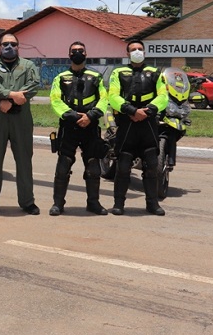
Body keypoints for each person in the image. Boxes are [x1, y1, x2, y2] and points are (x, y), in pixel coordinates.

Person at [0, 33, 41, 215]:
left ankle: (27, 201)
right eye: (5, 44)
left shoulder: (28, 66)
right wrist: (12, 94)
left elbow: (34, 85)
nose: (9, 47)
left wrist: (10, 102)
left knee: (24, 160)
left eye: (13, 44)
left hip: (21, 119)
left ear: (18, 46)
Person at [107, 40, 168, 216]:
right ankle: (118, 204)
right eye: (133, 49)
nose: (137, 51)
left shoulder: (155, 73)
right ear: (127, 54)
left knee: (151, 167)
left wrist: (148, 111)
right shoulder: (118, 72)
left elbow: (163, 96)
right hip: (127, 125)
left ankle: (152, 204)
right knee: (123, 167)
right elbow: (113, 96)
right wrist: (132, 111)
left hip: (148, 124)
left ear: (145, 52)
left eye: (140, 49)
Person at [48, 41, 109, 216]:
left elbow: (104, 99)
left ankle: (93, 203)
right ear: (69, 55)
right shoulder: (60, 78)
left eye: (80, 51)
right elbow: (55, 100)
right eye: (74, 51)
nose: (77, 53)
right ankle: (58, 204)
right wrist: (74, 116)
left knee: (93, 167)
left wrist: (91, 116)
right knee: (63, 166)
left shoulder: (95, 77)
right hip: (69, 126)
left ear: (86, 53)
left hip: (90, 126)